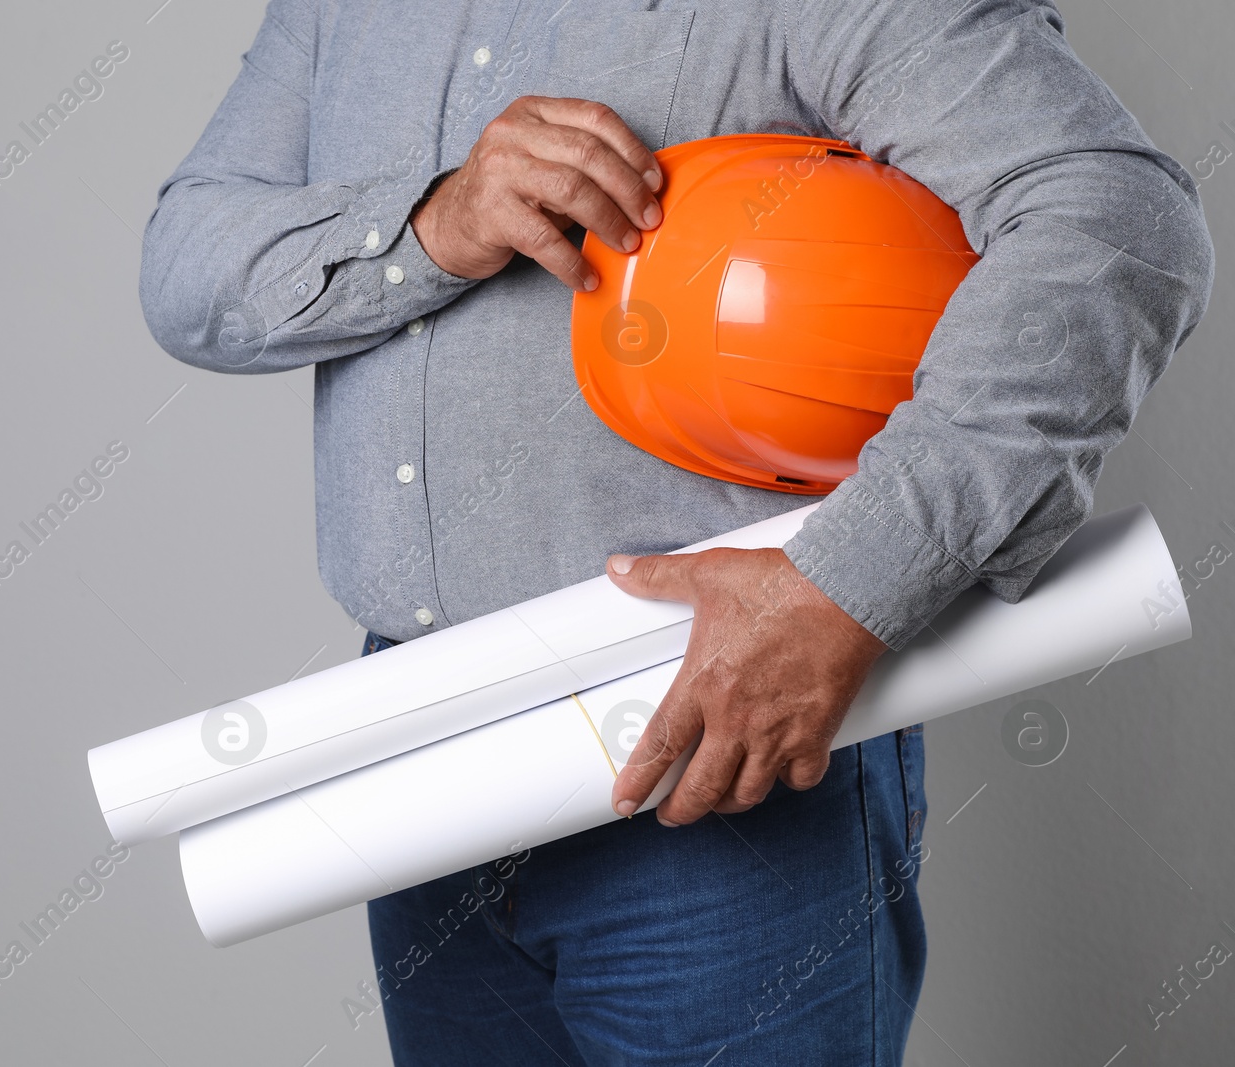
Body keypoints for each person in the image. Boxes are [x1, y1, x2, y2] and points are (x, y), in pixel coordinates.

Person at [139, 0, 1213, 1061]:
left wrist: (848, 583)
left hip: (725, 765)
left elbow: (1116, 218)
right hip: (419, 762)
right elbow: (184, 268)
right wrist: (434, 225)